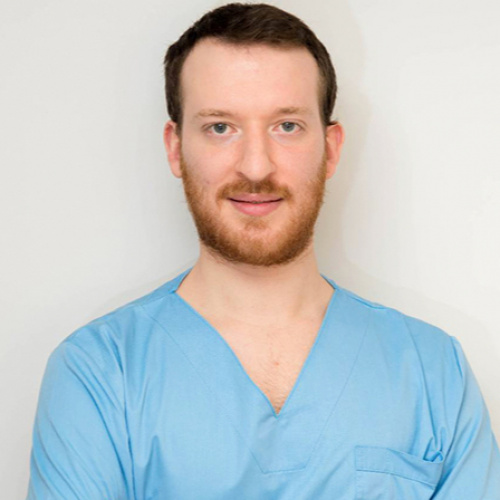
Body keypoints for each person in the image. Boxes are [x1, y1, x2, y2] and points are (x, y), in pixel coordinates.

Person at [26, 3, 500, 499]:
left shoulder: (431, 370)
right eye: (220, 127)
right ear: (175, 147)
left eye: (287, 126)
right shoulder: (100, 372)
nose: (256, 167)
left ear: (332, 148)